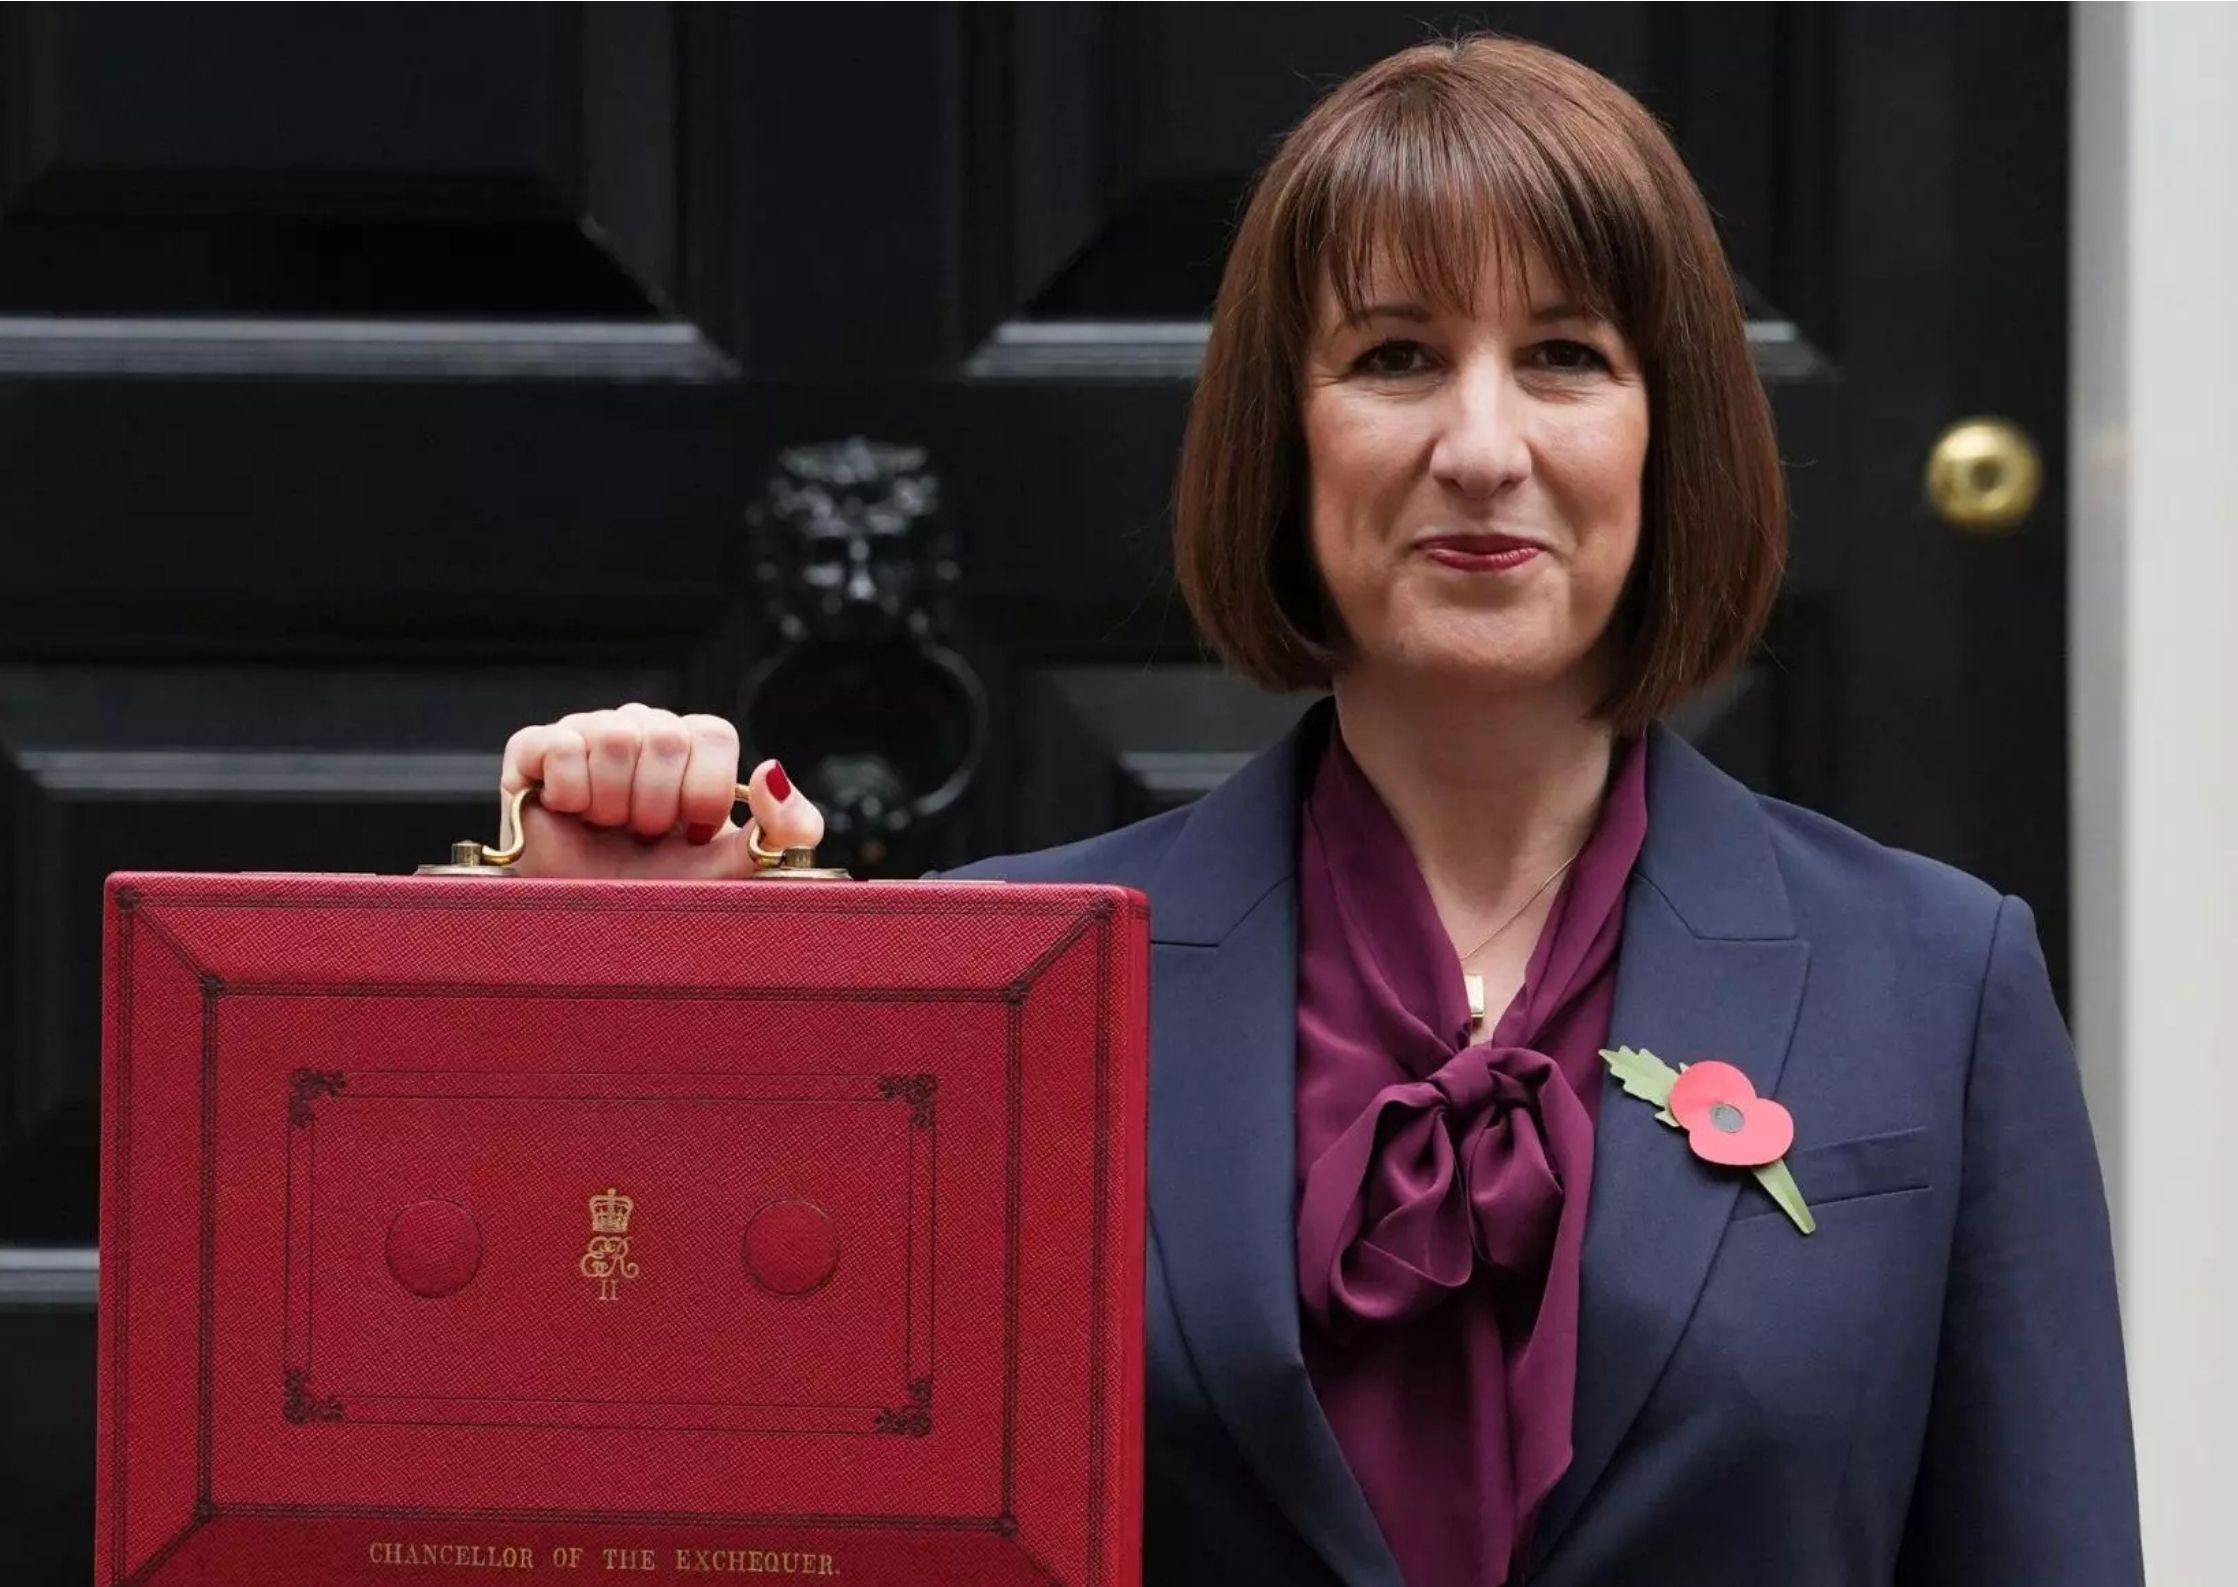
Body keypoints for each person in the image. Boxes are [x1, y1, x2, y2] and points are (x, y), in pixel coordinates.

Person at [498, 34, 2140, 1587]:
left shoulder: (1935, 980)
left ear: (1670, 436)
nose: (1479, 444)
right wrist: (612, 1005)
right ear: (1283, 441)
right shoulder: (1010, 989)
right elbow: (690, 1490)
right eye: (1395, 356)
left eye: (1564, 356)